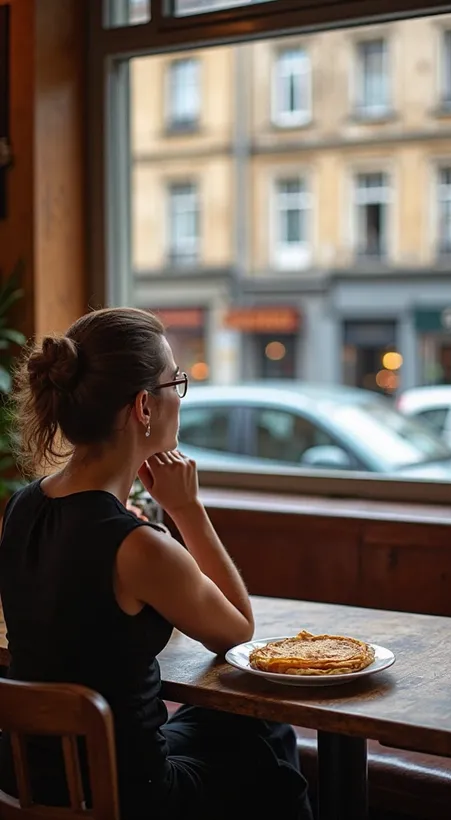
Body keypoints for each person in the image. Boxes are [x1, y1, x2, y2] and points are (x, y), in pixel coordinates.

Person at [0, 307, 312, 820]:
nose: (179, 398)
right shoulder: (136, 546)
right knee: (269, 756)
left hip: (36, 773)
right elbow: (238, 633)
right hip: (129, 795)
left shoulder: (23, 506)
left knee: (242, 724)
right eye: (176, 383)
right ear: (144, 406)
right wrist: (188, 509)